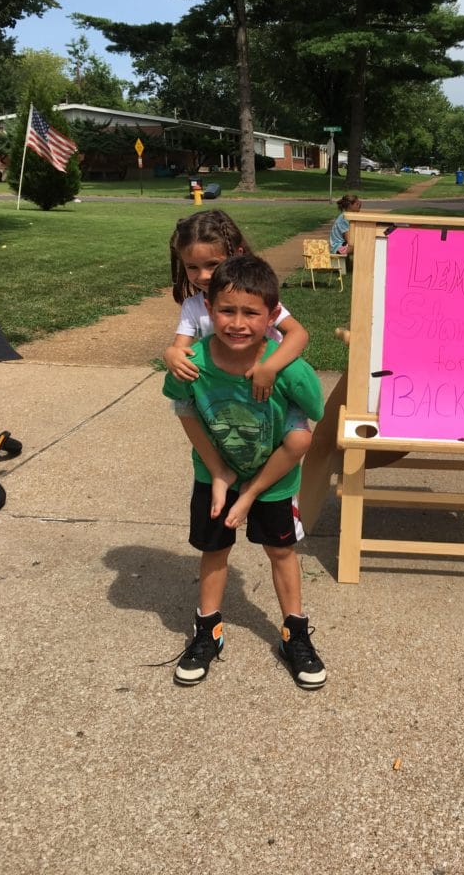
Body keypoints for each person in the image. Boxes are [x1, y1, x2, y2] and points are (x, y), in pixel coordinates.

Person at [163, 254, 326, 690]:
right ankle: (207, 630)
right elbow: (184, 409)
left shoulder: (287, 367)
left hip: (272, 481)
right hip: (213, 471)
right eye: (226, 311)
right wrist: (217, 469)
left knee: (281, 552)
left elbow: (314, 413)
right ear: (208, 309)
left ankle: (295, 632)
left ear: (272, 315)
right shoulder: (192, 360)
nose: (237, 323)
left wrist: (283, 375)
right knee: (214, 549)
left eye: (251, 313)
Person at [164, 208, 312, 464]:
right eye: (192, 267)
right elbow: (180, 348)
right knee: (216, 443)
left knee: (288, 444)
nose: (203, 276)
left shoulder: (253, 298)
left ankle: (277, 498)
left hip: (267, 395)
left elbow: (298, 333)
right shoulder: (194, 306)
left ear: (237, 255)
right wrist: (171, 354)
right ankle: (218, 481)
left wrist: (270, 368)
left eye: (212, 264)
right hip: (223, 400)